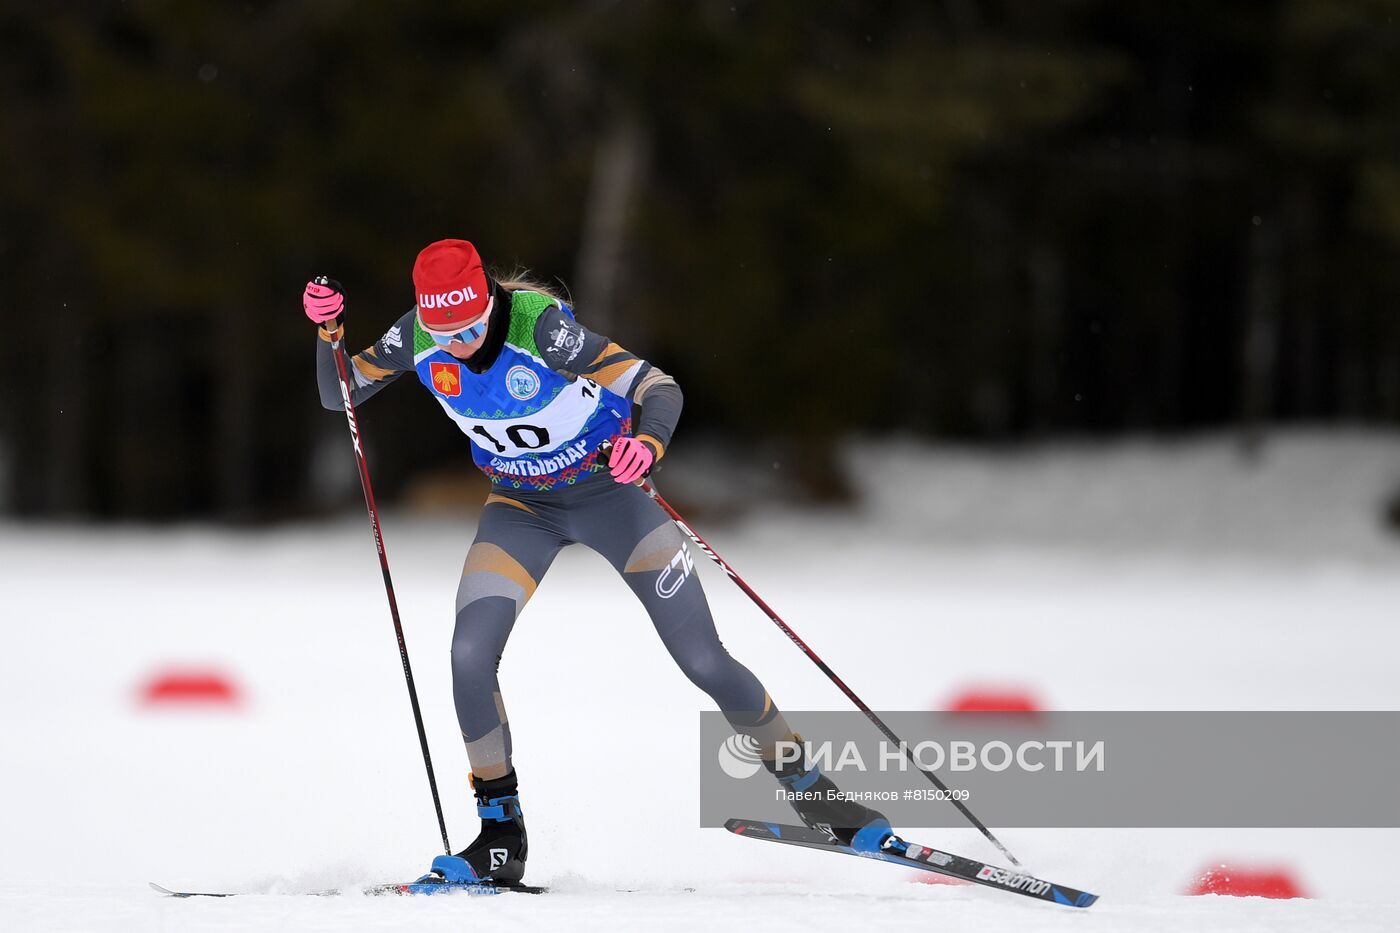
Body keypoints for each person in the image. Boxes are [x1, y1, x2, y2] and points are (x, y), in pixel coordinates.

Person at [305, 239, 888, 885]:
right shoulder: (417, 336)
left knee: (703, 658)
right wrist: (328, 333)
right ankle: (502, 834)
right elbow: (341, 392)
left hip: (614, 498)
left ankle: (818, 796)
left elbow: (657, 386)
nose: (461, 344)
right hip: (522, 507)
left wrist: (647, 440)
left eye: (471, 328)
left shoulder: (541, 329)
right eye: (446, 333)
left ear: (489, 303)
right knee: (469, 655)